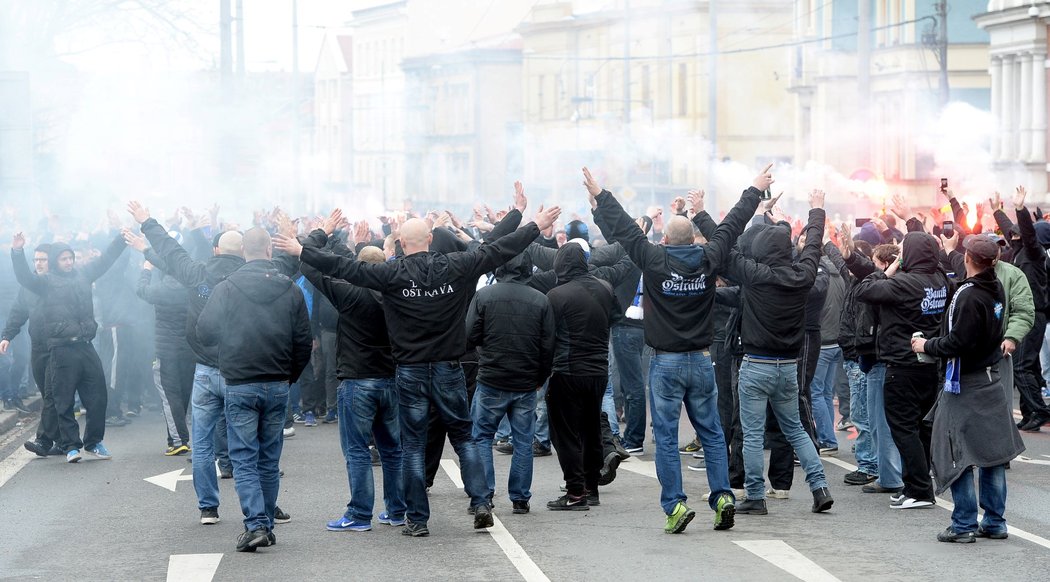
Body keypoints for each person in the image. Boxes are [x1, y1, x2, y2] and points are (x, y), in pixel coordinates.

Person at [277, 196, 561, 537]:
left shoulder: (391, 273)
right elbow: (495, 250)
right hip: (449, 369)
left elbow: (344, 269)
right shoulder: (453, 266)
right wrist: (532, 224)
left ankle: (417, 519)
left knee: (412, 446)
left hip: (410, 371)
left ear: (400, 244)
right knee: (465, 439)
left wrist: (302, 249)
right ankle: (481, 502)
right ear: (429, 239)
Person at [592, 165, 770, 532]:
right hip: (702, 360)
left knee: (669, 439)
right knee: (712, 434)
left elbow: (627, 230)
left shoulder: (655, 260)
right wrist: (753, 189)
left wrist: (601, 195)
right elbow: (731, 226)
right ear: (693, 240)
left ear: (667, 241)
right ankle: (722, 497)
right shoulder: (709, 258)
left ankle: (675, 506)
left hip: (666, 363)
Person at [286, 219, 407, 532]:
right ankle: (396, 510)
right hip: (391, 379)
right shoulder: (397, 293)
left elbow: (311, 267)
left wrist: (321, 233)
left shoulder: (348, 293)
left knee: (357, 450)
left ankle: (360, 514)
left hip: (356, 380)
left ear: (358, 266)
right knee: (392, 450)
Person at [196, 227, 312, 553]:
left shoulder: (227, 288)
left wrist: (229, 346)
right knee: (269, 460)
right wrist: (289, 376)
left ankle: (257, 525)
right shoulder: (290, 288)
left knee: (244, 459)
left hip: (241, 383)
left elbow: (204, 332)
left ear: (244, 251)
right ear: (270, 252)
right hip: (277, 383)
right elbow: (304, 342)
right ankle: (267, 526)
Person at [129, 202, 245, 524]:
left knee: (202, 435)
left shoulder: (197, 276)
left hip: (205, 364)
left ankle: (208, 506)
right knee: (243, 434)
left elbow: (174, 253)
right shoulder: (254, 276)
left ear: (215, 250)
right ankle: (257, 505)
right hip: (240, 366)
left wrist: (147, 224)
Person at [725, 189, 834, 516]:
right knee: (796, 430)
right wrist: (817, 211)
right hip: (788, 366)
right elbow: (813, 246)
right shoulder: (803, 276)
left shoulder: (755, 277)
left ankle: (755, 497)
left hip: (756, 365)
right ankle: (820, 488)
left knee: (754, 434)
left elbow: (725, 246)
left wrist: (745, 207)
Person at [911, 234, 1025, 543]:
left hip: (965, 380)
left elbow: (957, 342)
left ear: (967, 259)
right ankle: (995, 521)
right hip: (991, 378)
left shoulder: (969, 294)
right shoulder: (996, 288)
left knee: (954, 451)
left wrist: (926, 344)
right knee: (993, 454)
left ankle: (963, 523)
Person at [854, 231, 952, 509]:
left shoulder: (904, 283)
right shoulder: (940, 280)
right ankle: (916, 486)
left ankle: (920, 490)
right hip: (928, 363)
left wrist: (890, 269)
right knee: (921, 429)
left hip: (902, 364)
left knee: (903, 429)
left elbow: (864, 291)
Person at [10, 233, 127, 462]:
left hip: (85, 345)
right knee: (62, 400)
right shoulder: (44, 282)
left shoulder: (84, 274)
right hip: (61, 349)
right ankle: (71, 446)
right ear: (55, 261)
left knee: (98, 396)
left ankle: (94, 442)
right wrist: (17, 253)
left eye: (70, 258)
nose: (68, 262)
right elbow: (24, 278)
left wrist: (121, 239)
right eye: (63, 259)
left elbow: (105, 260)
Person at [467, 250, 555, 515]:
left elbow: (470, 334)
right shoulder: (540, 300)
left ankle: (484, 496)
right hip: (526, 381)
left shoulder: (484, 296)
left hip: (492, 377)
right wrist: (540, 378)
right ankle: (520, 497)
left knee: (482, 436)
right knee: (523, 440)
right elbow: (548, 345)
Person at [543, 241, 619, 511]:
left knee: (565, 434)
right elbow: (615, 317)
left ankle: (575, 492)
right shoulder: (605, 288)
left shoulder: (557, 295)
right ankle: (591, 487)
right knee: (590, 430)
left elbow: (548, 337)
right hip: (598, 370)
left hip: (567, 370)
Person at [3, 243, 62, 456]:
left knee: (52, 392)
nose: (38, 263)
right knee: (51, 397)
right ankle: (64, 440)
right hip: (38, 348)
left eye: (43, 260)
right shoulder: (28, 287)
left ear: (51, 261)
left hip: (58, 347)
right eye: (36, 260)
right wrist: (7, 335)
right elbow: (18, 312)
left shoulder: (59, 282)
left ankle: (43, 441)